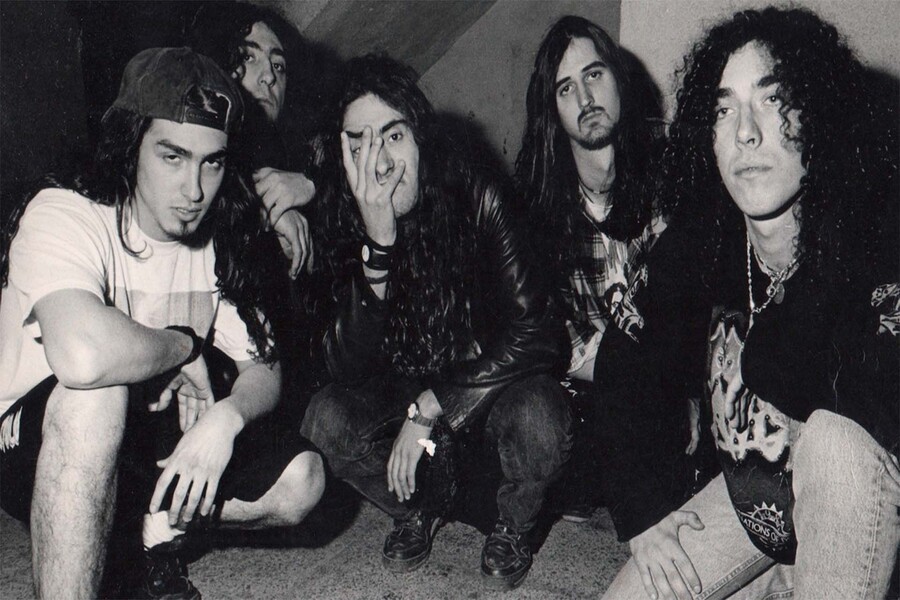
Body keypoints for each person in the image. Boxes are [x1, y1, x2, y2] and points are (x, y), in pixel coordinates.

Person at [0, 47, 325, 599]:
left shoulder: (219, 233)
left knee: (303, 480)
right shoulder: (66, 211)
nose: (194, 190)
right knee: (95, 399)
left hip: (135, 439)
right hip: (35, 439)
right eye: (173, 156)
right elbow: (83, 357)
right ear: (131, 146)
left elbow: (264, 367)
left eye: (212, 163)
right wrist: (185, 347)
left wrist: (225, 420)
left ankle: (144, 533)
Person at [603, 7, 899, 599]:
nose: (745, 132)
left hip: (857, 512)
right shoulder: (703, 237)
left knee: (835, 444)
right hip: (755, 504)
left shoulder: (875, 235)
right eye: (724, 109)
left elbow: (868, 408)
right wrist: (644, 515)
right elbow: (623, 361)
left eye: (772, 99)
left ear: (819, 118)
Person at [299, 54, 572, 591]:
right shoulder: (340, 209)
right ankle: (418, 505)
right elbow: (341, 367)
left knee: (542, 417)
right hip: (405, 411)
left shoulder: (476, 188)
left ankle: (512, 523)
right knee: (324, 419)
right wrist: (377, 248)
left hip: (487, 393)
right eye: (359, 144)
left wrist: (434, 403)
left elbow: (539, 332)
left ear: (420, 138)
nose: (379, 164)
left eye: (393, 136)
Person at [515, 15, 702, 529]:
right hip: (594, 393)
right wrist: (653, 389)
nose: (585, 98)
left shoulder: (671, 173)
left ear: (618, 78)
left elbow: (699, 310)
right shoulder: (538, 207)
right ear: (553, 111)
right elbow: (560, 344)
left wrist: (684, 388)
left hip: (674, 374)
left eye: (594, 75)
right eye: (566, 88)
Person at [190, 2, 322, 279]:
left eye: (278, 65)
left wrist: (313, 183)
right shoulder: (191, 142)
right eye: (249, 57)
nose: (270, 76)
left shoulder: (295, 158)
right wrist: (263, 213)